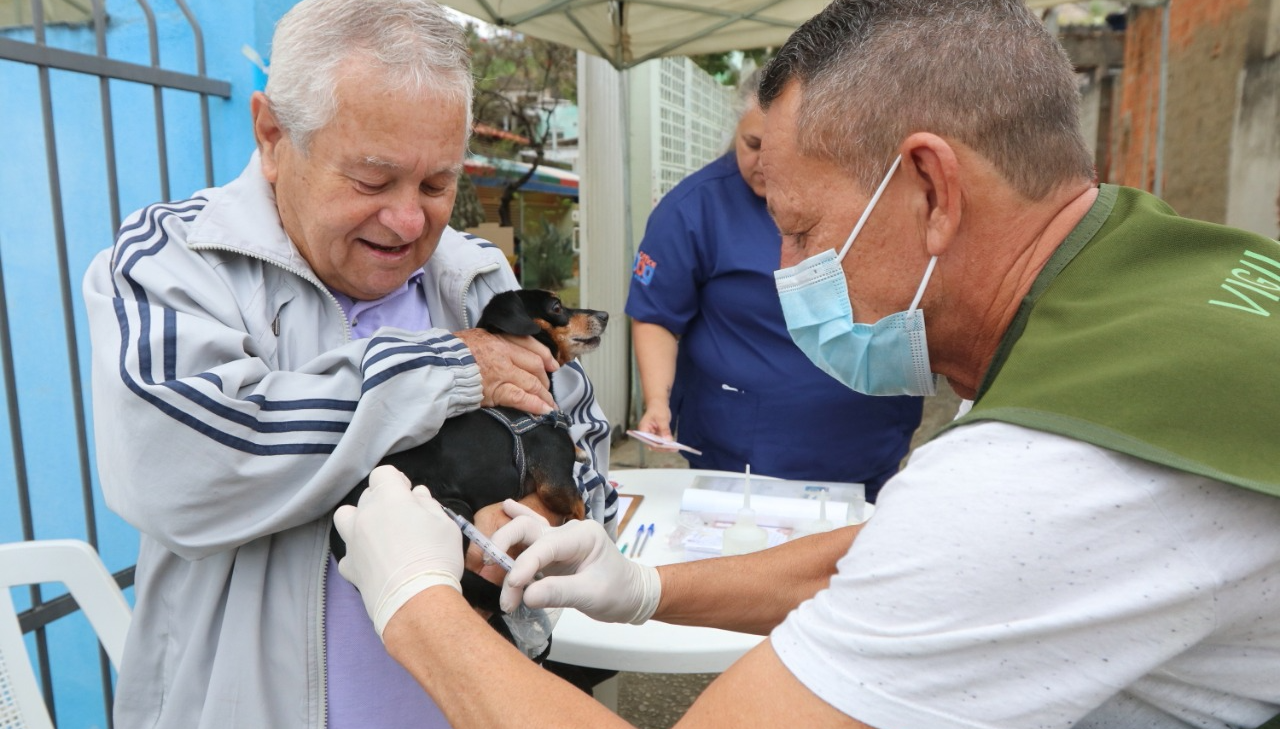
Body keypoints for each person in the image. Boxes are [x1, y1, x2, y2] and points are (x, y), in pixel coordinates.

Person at [330, 1, 1280, 728]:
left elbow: (972, 536)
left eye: (800, 229)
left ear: (931, 188)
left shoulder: (1034, 481)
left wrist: (419, 608)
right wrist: (648, 590)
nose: (785, 276)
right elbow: (885, 557)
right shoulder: (1184, 271)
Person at [81, 1, 615, 727]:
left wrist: (533, 530)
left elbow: (584, 459)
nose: (408, 220)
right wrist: (445, 370)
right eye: (371, 181)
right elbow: (180, 463)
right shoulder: (172, 261)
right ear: (273, 134)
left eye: (436, 185)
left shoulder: (478, 279)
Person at [626, 72, 921, 497]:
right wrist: (656, 400)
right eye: (751, 144)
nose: (762, 161)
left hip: (866, 446)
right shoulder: (695, 209)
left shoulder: (869, 194)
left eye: (779, 148)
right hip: (742, 453)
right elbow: (655, 315)